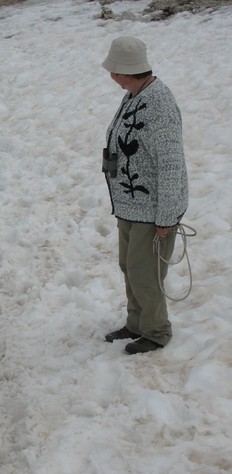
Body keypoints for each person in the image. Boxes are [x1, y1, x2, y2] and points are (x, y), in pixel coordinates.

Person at [101, 36, 188, 354]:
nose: (111, 76)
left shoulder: (160, 105)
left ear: (124, 72)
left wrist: (167, 216)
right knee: (129, 265)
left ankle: (156, 330)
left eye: (114, 70)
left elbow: (171, 166)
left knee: (145, 271)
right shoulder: (135, 94)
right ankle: (136, 322)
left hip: (153, 207)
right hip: (129, 202)